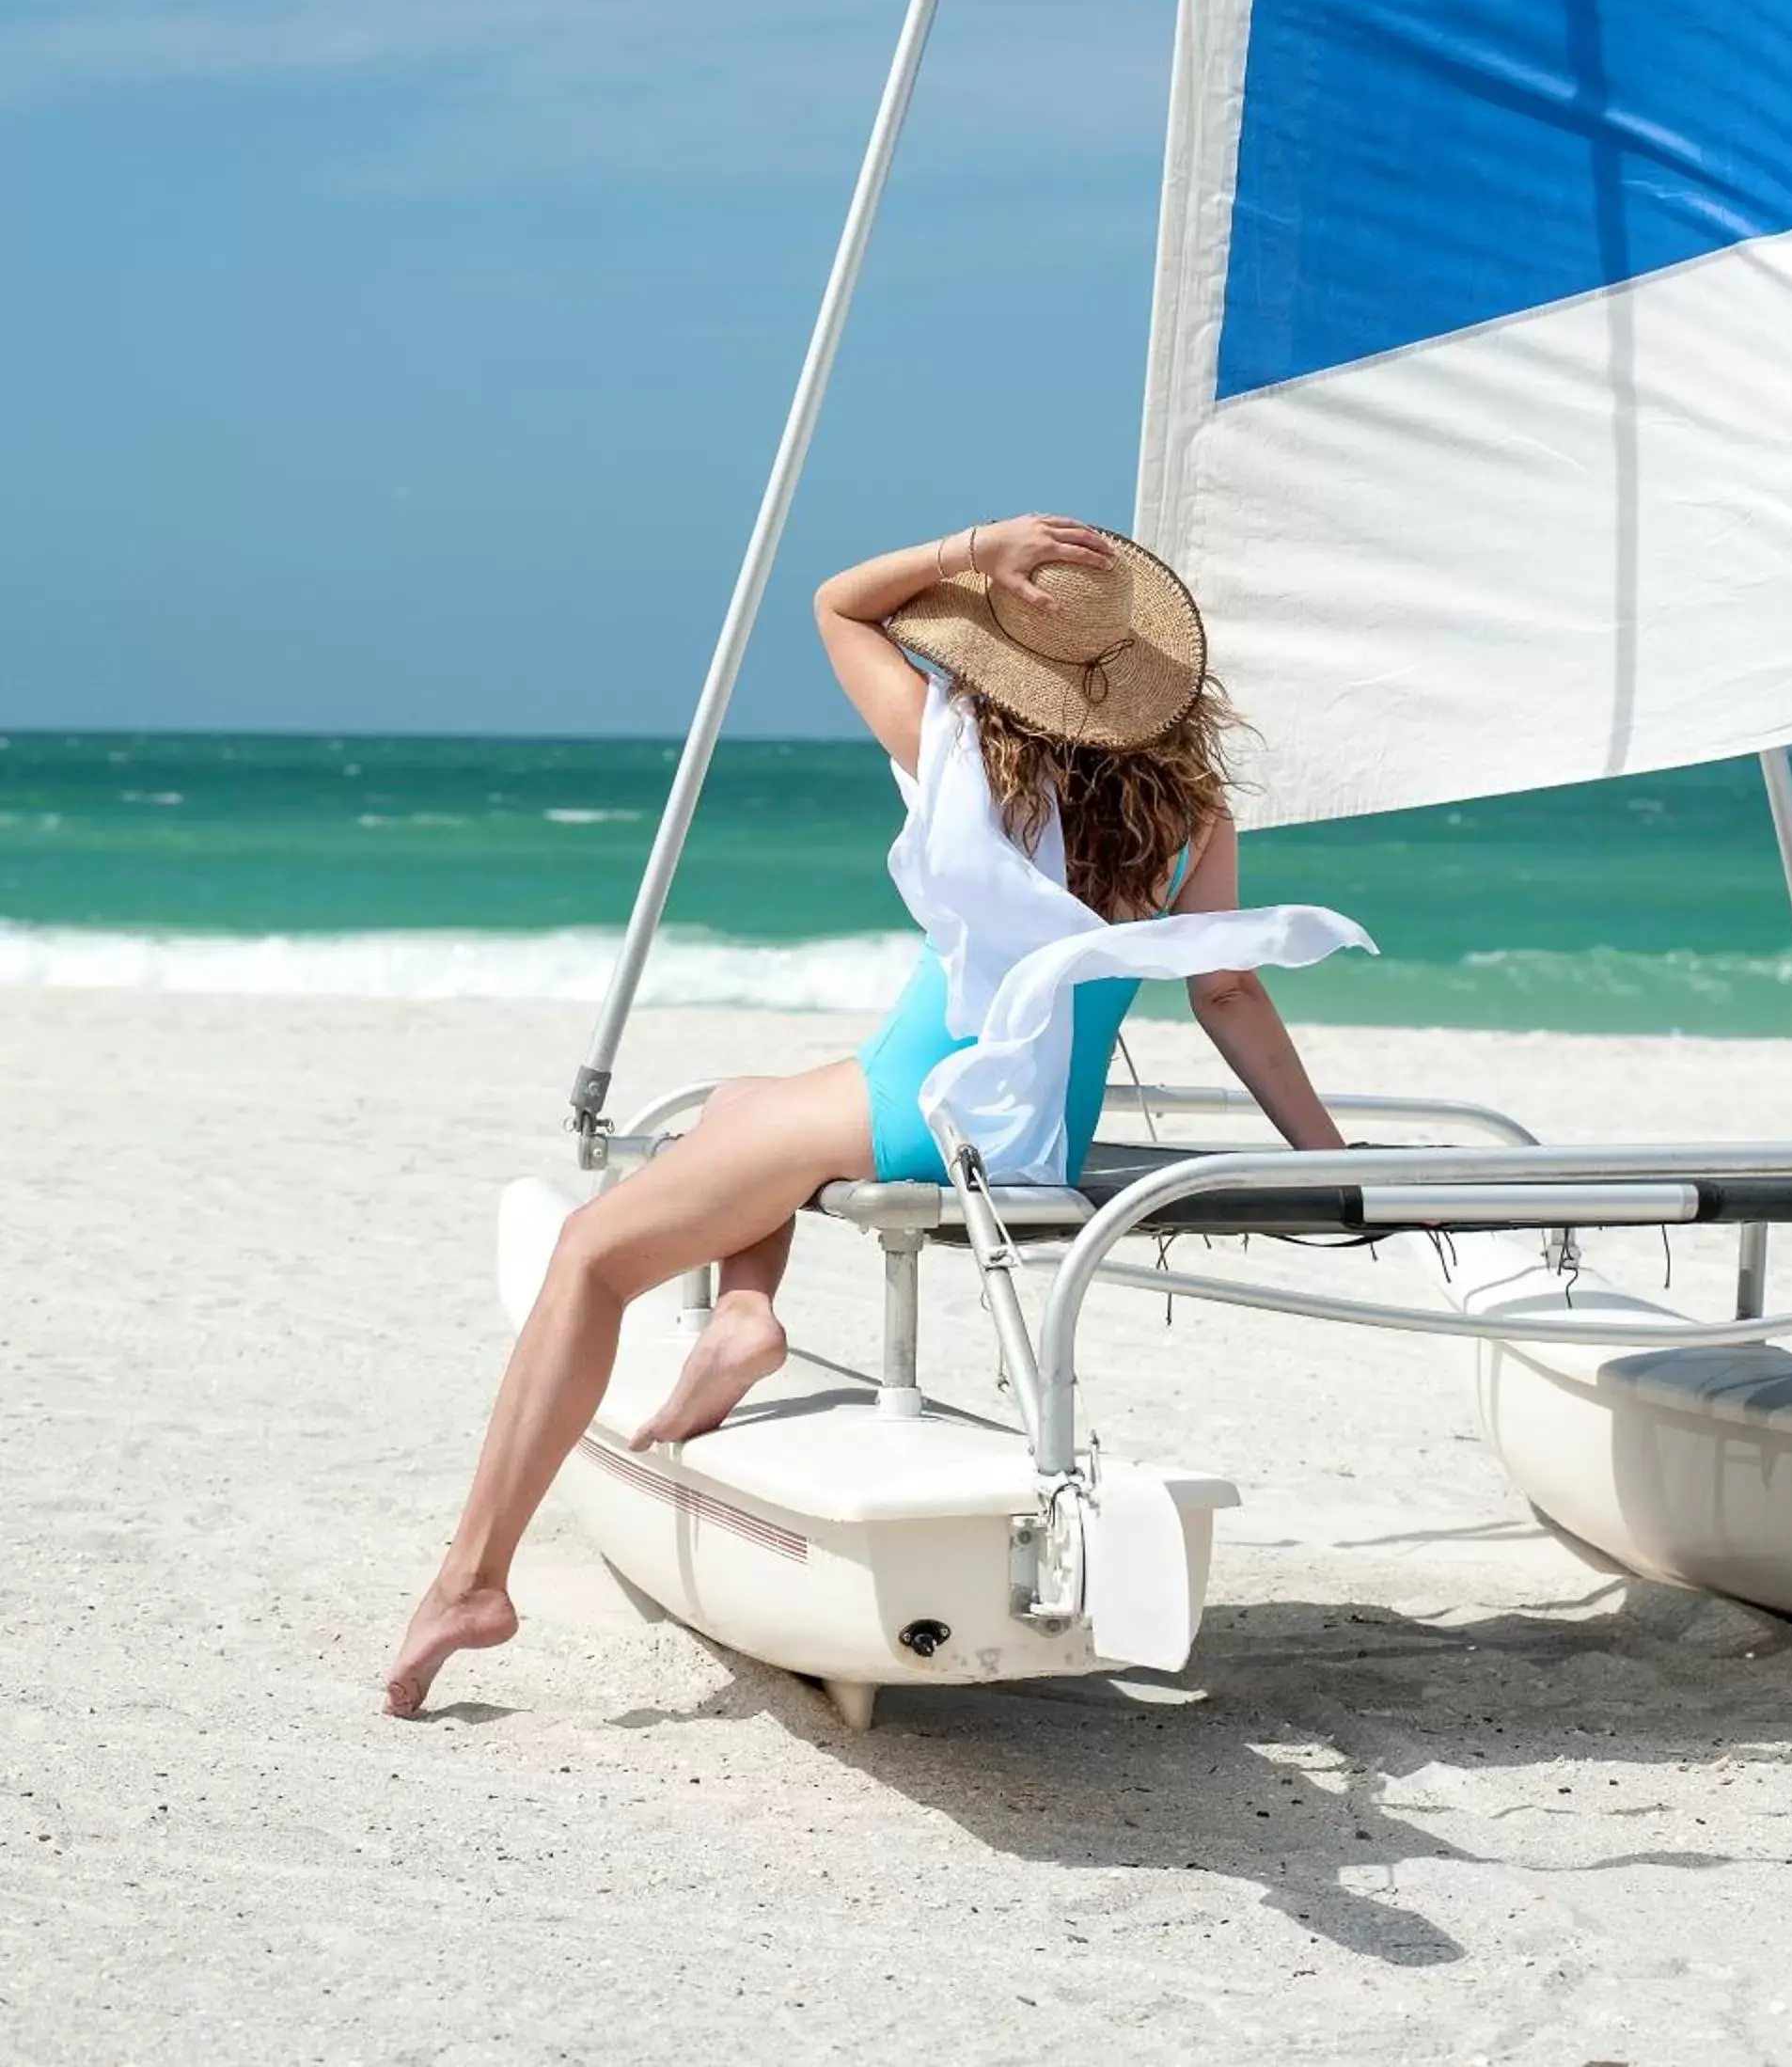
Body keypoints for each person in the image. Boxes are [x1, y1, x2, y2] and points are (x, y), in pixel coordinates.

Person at [384, 514, 1348, 1716]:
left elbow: (835, 604)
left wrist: (975, 549)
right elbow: (1229, 990)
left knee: (588, 1258)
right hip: (1024, 1132)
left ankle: (473, 1579)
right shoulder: (1192, 812)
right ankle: (745, 1314)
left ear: (1008, 664)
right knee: (743, 1107)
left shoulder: (968, 758)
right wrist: (1332, 1162)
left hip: (915, 1105)